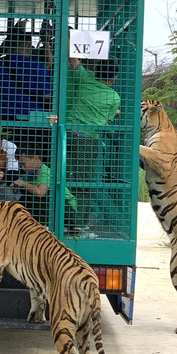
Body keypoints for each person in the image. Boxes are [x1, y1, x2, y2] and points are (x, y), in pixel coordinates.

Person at [65, 52, 121, 233]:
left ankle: (60, 218)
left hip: (68, 135)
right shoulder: (114, 98)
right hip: (89, 141)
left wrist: (69, 35)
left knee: (63, 177)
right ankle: (79, 222)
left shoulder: (84, 79)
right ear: (113, 80)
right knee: (84, 181)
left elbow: (72, 59)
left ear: (96, 72)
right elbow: (106, 121)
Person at [0, 27, 52, 121]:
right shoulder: (37, 66)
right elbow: (46, 96)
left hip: (6, 117)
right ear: (28, 48)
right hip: (33, 118)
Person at [13, 143, 78, 227]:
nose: (22, 167)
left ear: (36, 159)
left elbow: (41, 192)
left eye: (24, 164)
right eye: (20, 164)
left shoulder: (45, 172)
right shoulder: (30, 175)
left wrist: (23, 184)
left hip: (67, 210)